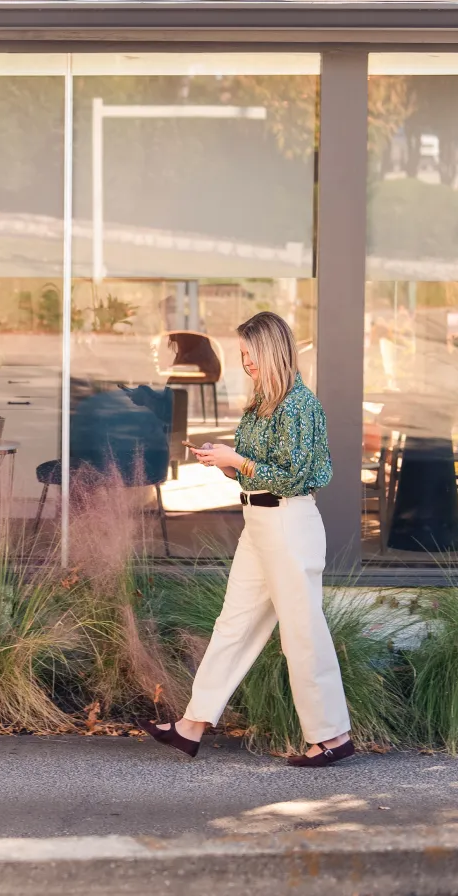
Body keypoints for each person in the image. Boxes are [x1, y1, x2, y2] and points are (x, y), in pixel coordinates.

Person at [141, 311, 354, 768]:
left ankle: (332, 735)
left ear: (271, 350)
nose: (245, 363)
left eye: (249, 354)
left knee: (302, 634)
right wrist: (225, 461)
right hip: (259, 524)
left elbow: (295, 476)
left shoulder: (299, 405)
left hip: (288, 525)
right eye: (241, 355)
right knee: (233, 625)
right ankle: (192, 725)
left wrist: (237, 459)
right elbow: (254, 463)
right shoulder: (264, 404)